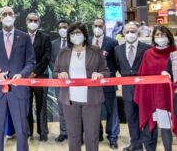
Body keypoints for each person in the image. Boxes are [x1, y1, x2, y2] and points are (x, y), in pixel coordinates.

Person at [0, 6, 35, 151]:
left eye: (10, 13)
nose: (7, 16)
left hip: (18, 91)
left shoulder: (24, 37)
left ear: (15, 16)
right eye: (4, 14)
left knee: (21, 130)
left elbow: (31, 62)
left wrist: (22, 74)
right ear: (0, 18)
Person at [53, 22, 109, 151]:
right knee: (73, 136)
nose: (75, 36)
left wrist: (99, 74)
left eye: (78, 33)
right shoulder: (63, 52)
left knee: (92, 135)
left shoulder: (94, 50)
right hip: (70, 100)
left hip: (92, 99)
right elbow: (55, 72)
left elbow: (106, 71)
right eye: (72, 34)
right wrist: (60, 74)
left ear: (84, 35)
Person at [134, 25, 176, 151]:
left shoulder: (175, 53)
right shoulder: (148, 54)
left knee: (167, 126)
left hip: (171, 96)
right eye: (157, 35)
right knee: (157, 128)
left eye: (163, 35)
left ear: (168, 37)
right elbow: (142, 75)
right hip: (153, 97)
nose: (160, 38)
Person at [114, 22, 151, 151]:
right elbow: (118, 66)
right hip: (127, 88)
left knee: (145, 116)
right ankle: (135, 144)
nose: (130, 34)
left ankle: (147, 144)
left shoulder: (146, 48)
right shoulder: (117, 50)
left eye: (133, 31)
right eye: (127, 31)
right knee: (131, 117)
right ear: (123, 34)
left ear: (138, 33)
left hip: (143, 88)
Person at [89, 18, 119, 149]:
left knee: (111, 110)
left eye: (100, 26)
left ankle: (112, 136)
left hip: (108, 83)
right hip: (90, 83)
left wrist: (110, 76)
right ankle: (98, 133)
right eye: (95, 26)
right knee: (94, 110)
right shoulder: (86, 42)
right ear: (92, 27)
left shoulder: (112, 42)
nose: (98, 28)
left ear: (104, 27)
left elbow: (117, 62)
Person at [25, 13, 51, 141]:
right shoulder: (21, 37)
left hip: (41, 76)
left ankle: (42, 132)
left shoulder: (45, 37)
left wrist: (34, 72)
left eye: (35, 20)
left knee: (41, 105)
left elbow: (46, 57)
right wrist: (26, 73)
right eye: (31, 20)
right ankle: (28, 131)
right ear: (26, 21)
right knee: (27, 104)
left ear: (39, 22)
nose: (33, 22)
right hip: (25, 78)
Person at [49, 19, 70, 142]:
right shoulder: (53, 44)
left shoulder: (74, 43)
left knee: (74, 108)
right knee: (61, 107)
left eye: (65, 27)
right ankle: (63, 132)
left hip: (73, 81)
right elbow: (51, 61)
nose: (63, 29)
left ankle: (74, 132)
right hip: (58, 80)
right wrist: (57, 73)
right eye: (61, 27)